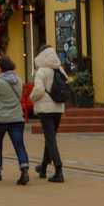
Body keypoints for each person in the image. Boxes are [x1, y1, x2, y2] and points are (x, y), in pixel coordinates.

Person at [0, 57, 30, 185]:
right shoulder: (18, 80)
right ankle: (24, 168)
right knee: (19, 144)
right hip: (16, 118)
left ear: (2, 67)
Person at [30, 45, 67, 182]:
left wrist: (31, 98)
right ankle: (44, 167)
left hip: (45, 110)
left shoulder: (41, 71)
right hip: (58, 108)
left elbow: (39, 90)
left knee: (50, 139)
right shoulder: (60, 69)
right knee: (50, 138)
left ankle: (59, 170)